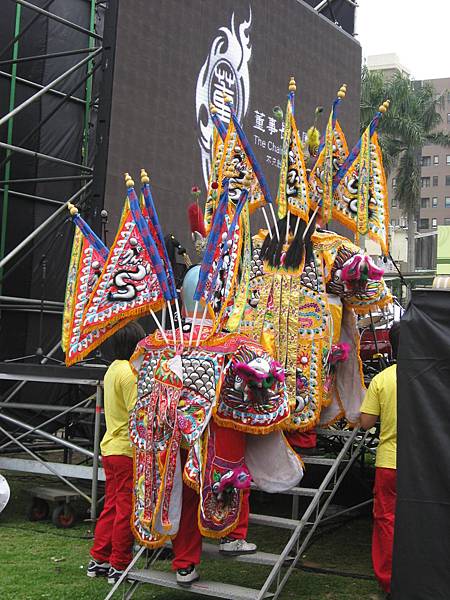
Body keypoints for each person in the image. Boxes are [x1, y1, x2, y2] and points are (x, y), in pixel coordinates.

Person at [87, 321, 146, 584]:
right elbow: (139, 415)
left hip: (110, 448)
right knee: (126, 508)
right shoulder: (130, 374)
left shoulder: (113, 369)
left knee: (111, 505)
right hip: (126, 450)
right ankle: (119, 565)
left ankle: (99, 558)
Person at [359, 321, 400, 600]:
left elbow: (366, 423)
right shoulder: (432, 374)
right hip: (425, 464)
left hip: (389, 463)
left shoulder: (382, 379)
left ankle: (389, 583)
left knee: (387, 521)